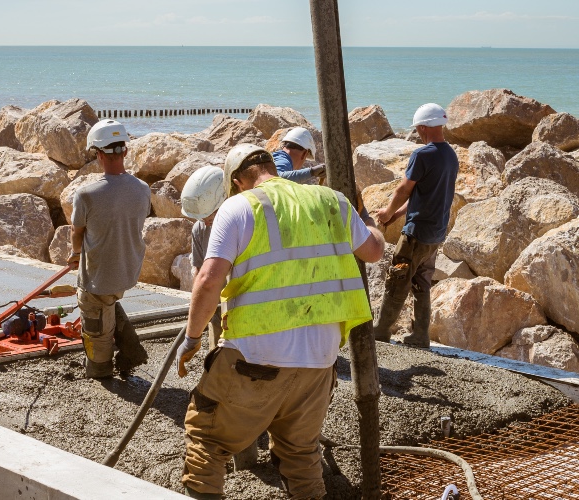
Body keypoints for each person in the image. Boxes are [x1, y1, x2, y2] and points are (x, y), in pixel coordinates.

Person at [175, 144, 385, 500]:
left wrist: (193, 338)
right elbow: (375, 251)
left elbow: (209, 281)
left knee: (207, 439)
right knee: (301, 453)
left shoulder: (239, 207)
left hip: (256, 357)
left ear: (237, 180)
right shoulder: (332, 201)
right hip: (319, 363)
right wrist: (368, 220)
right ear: (273, 166)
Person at [69, 119, 151, 379]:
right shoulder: (143, 189)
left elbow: (77, 231)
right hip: (127, 271)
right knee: (109, 299)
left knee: (94, 321)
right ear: (124, 151)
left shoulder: (86, 194)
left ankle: (100, 370)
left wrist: (74, 254)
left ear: (98, 154)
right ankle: (131, 348)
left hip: (98, 278)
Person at [373, 103, 459, 348]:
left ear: (423, 127)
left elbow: (404, 189)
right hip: (436, 233)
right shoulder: (450, 156)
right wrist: (396, 215)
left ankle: (381, 330)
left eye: (418, 129)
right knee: (422, 282)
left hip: (416, 233)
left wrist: (387, 211)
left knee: (397, 278)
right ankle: (420, 335)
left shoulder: (422, 155)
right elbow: (423, 195)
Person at [180, 165, 227, 350]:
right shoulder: (200, 229)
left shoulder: (244, 223)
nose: (205, 221)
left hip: (243, 305)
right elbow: (199, 272)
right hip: (215, 305)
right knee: (217, 354)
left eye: (209, 215)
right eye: (201, 217)